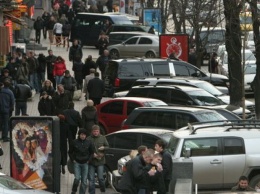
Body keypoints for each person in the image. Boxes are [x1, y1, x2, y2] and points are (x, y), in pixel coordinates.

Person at [69, 128, 94, 194]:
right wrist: (73, 160)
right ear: (79, 135)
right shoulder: (74, 142)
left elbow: (92, 153)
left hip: (85, 163)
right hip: (77, 163)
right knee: (77, 178)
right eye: (81, 134)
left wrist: (89, 160)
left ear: (86, 135)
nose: (83, 136)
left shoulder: (89, 143)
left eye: (84, 135)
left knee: (84, 181)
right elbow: (70, 152)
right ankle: (74, 190)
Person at [87, 125, 109, 194]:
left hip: (100, 161)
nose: (96, 133)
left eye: (97, 131)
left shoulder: (103, 138)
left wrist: (104, 148)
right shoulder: (88, 139)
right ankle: (92, 192)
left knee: (101, 178)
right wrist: (92, 154)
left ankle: (103, 190)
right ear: (92, 132)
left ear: (99, 131)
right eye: (94, 131)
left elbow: (108, 147)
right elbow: (86, 149)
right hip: (92, 162)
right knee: (91, 179)